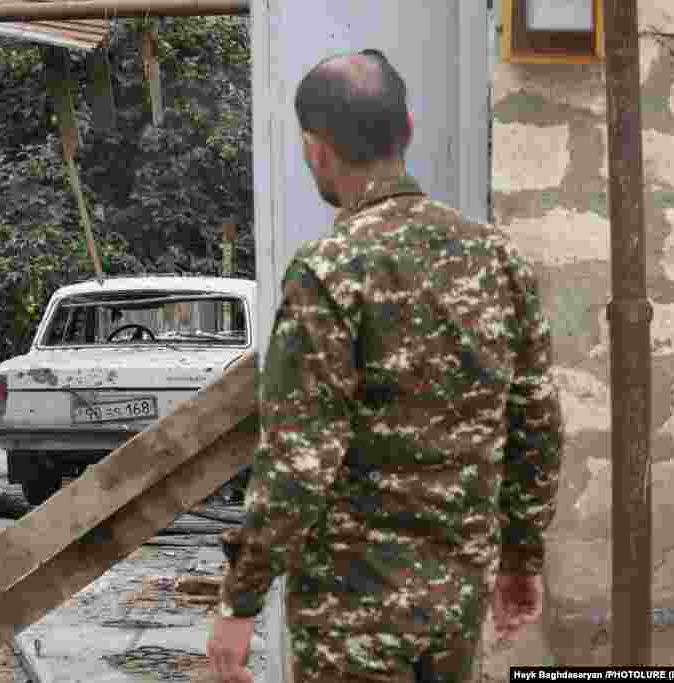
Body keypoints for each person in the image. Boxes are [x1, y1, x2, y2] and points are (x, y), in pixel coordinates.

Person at [206, 49, 564, 683]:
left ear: (317, 151)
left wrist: (240, 601)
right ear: (410, 127)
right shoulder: (497, 260)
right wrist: (521, 556)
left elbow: (298, 460)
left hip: (352, 619)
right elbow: (537, 422)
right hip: (457, 603)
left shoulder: (330, 271)